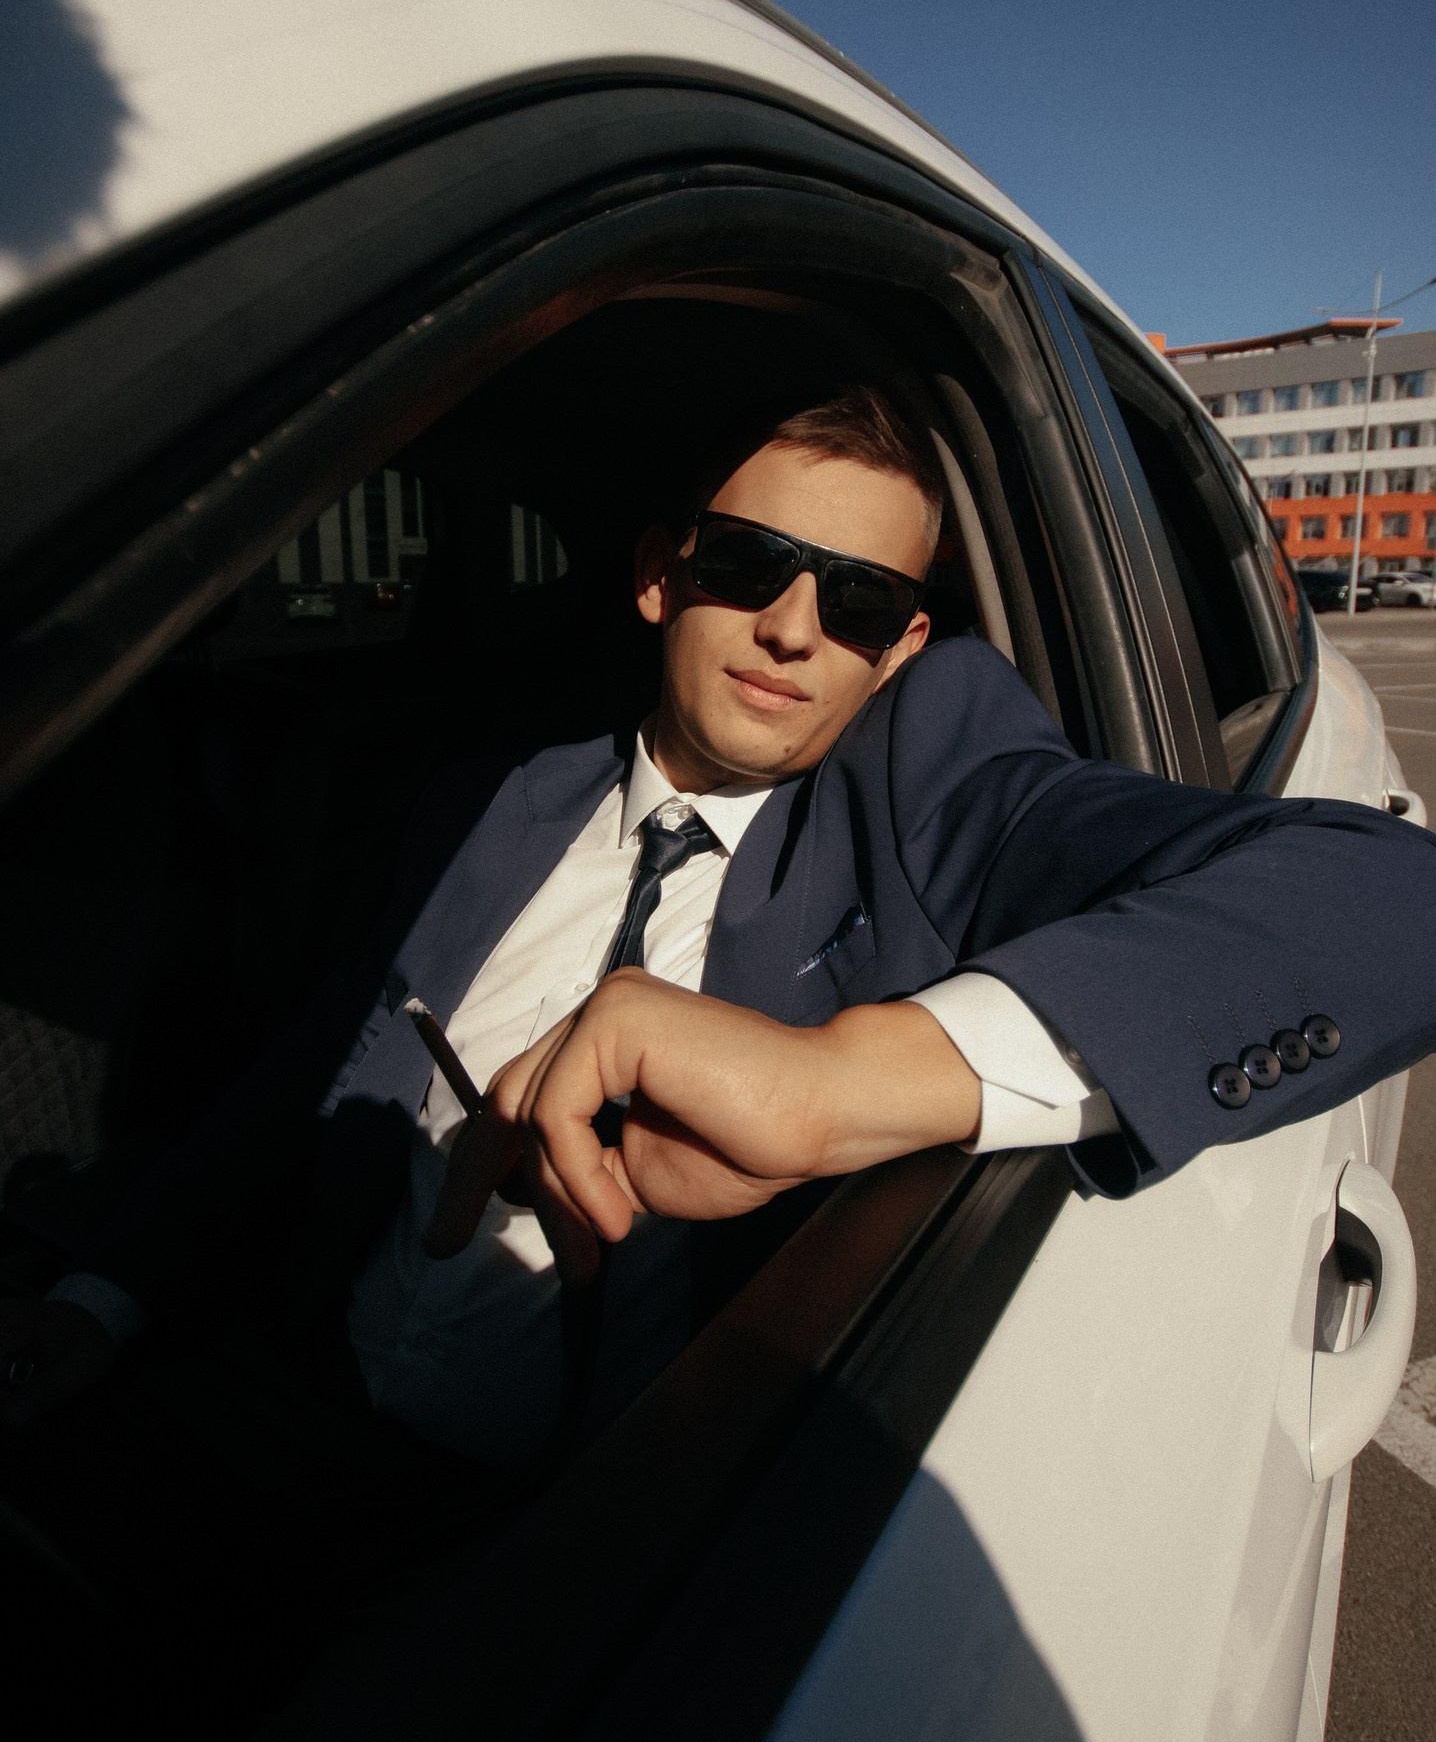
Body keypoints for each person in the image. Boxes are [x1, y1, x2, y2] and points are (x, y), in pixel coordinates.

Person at [3, 384, 1434, 1474]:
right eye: (750, 564)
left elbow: (1390, 906)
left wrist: (838, 1081)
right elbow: (316, 1069)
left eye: (861, 600)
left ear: (903, 652)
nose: (795, 628)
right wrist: (108, 1290)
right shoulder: (489, 801)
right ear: (658, 577)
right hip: (291, 1411)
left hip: (608, 1560)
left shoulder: (925, 780)